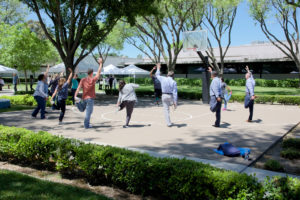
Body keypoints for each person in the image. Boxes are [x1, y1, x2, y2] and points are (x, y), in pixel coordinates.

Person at [74, 58, 103, 129]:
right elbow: (99, 72)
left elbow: (78, 88)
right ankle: (86, 125)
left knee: (84, 110)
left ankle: (77, 103)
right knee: (88, 113)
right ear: (92, 73)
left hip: (84, 98)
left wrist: (75, 95)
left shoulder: (83, 79)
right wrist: (101, 64)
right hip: (90, 99)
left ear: (87, 73)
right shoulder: (92, 80)